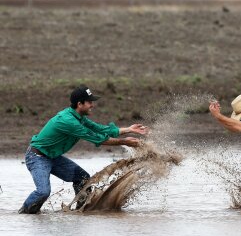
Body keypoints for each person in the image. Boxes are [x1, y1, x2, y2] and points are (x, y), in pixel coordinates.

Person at [19, 85, 148, 214]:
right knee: (43, 192)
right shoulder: (69, 122)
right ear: (79, 104)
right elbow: (98, 139)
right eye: (89, 102)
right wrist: (125, 142)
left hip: (52, 157)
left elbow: (100, 129)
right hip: (37, 157)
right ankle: (24, 213)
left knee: (82, 178)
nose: (92, 105)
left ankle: (81, 212)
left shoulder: (78, 117)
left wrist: (129, 129)